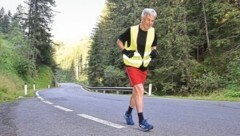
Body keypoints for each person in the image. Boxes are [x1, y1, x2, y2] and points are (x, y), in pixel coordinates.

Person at [116, 8, 158, 132]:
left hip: (143, 65)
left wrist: (154, 51)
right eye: (148, 20)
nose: (150, 23)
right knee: (140, 89)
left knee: (136, 92)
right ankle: (142, 121)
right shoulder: (132, 30)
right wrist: (124, 50)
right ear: (142, 18)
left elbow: (153, 45)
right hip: (131, 64)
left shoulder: (153, 32)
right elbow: (119, 41)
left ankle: (128, 113)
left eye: (152, 21)